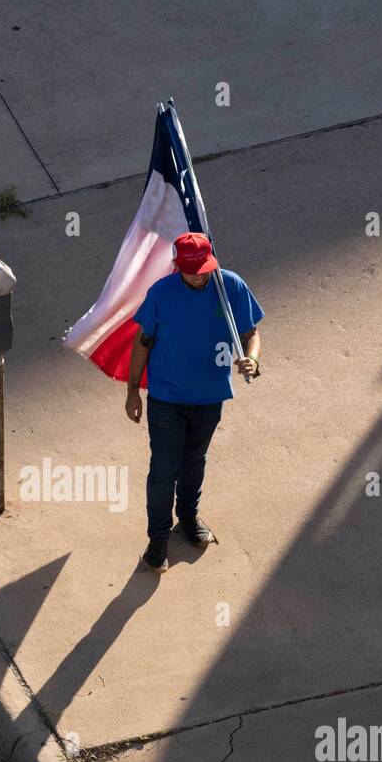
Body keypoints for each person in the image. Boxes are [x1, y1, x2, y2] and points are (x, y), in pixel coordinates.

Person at [125, 231, 263, 572]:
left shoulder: (229, 286)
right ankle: (157, 541)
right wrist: (131, 391)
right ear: (177, 267)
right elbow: (144, 341)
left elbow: (250, 333)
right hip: (167, 399)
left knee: (194, 460)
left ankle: (188, 517)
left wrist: (253, 360)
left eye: (203, 268)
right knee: (163, 470)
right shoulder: (161, 294)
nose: (199, 275)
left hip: (209, 397)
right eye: (191, 270)